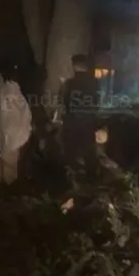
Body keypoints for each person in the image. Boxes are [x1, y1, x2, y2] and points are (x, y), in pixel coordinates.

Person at [60, 54, 99, 182]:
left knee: (70, 151)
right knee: (89, 151)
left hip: (72, 122)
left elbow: (63, 101)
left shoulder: (69, 83)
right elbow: (97, 102)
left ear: (74, 66)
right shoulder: (94, 83)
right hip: (88, 122)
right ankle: (91, 179)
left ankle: (68, 179)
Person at [0, 61, 32, 185]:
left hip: (11, 129)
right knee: (7, 156)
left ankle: (8, 184)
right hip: (11, 129)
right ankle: (6, 183)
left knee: (8, 157)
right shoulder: (11, 89)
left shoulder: (9, 90)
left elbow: (13, 111)